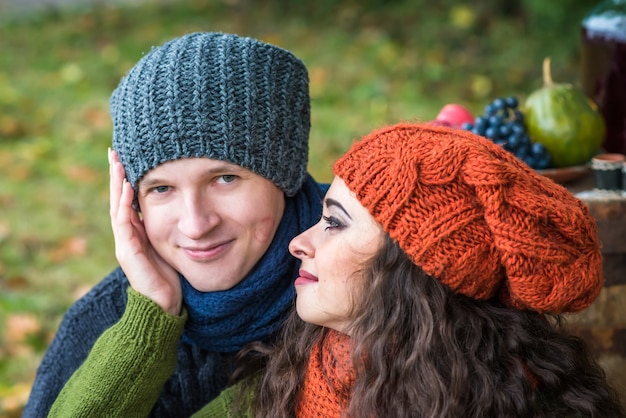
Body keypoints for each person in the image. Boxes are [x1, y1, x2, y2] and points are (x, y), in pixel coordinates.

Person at [49, 123, 626, 417]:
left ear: (415, 269)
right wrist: (150, 313)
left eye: (334, 222)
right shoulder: (302, 376)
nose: (299, 243)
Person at [23, 31, 327, 418]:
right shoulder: (98, 321)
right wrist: (147, 324)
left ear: (283, 172)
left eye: (224, 179)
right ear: (132, 203)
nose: (196, 224)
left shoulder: (368, 282)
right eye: (161, 188)